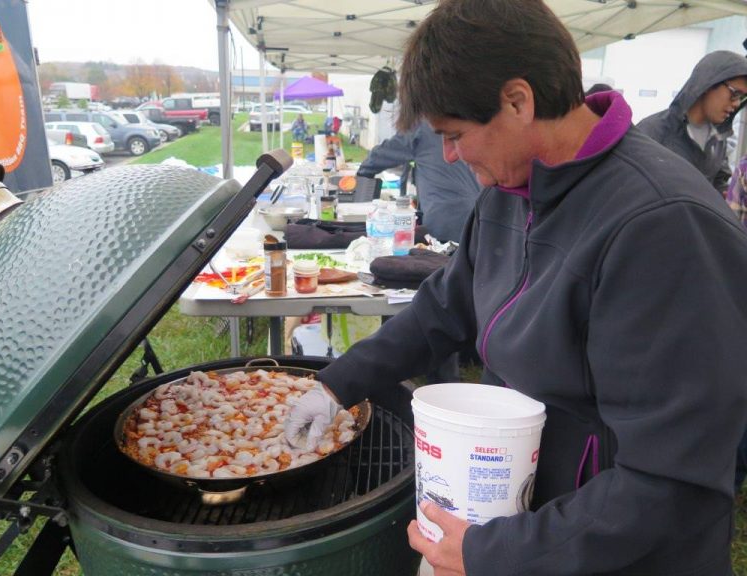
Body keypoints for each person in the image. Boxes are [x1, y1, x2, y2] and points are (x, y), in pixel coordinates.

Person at [284, 0, 747, 574]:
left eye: (454, 135)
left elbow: (674, 483)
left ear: (518, 101)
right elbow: (445, 309)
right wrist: (335, 385)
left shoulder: (662, 226)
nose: (448, 156)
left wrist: (495, 554)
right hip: (528, 514)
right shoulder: (509, 191)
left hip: (615, 553)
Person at [637, 50, 747, 193]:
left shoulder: (719, 137)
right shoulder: (651, 132)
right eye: (735, 94)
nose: (737, 103)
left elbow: (719, 181)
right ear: (709, 83)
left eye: (742, 98)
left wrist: (728, 198)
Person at [357, 120, 485, 243]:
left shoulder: (424, 124)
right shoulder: (469, 120)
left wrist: (362, 173)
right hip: (478, 215)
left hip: (442, 220)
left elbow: (384, 154)